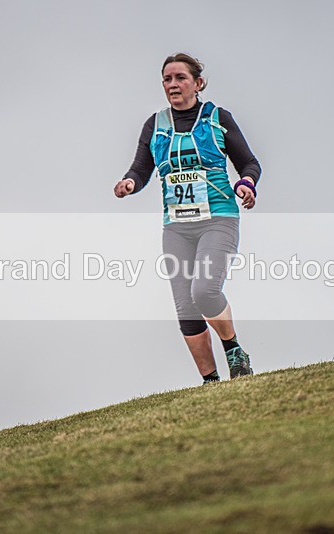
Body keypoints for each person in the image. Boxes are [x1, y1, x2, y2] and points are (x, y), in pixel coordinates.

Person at [113, 53, 261, 384]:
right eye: (167, 79)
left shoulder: (217, 118)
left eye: (180, 77)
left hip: (217, 219)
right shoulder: (155, 125)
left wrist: (246, 183)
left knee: (204, 291)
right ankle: (210, 382)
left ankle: (234, 350)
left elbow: (249, 162)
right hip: (177, 228)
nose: (173, 84)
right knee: (186, 306)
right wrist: (129, 183)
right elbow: (141, 169)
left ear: (198, 83)